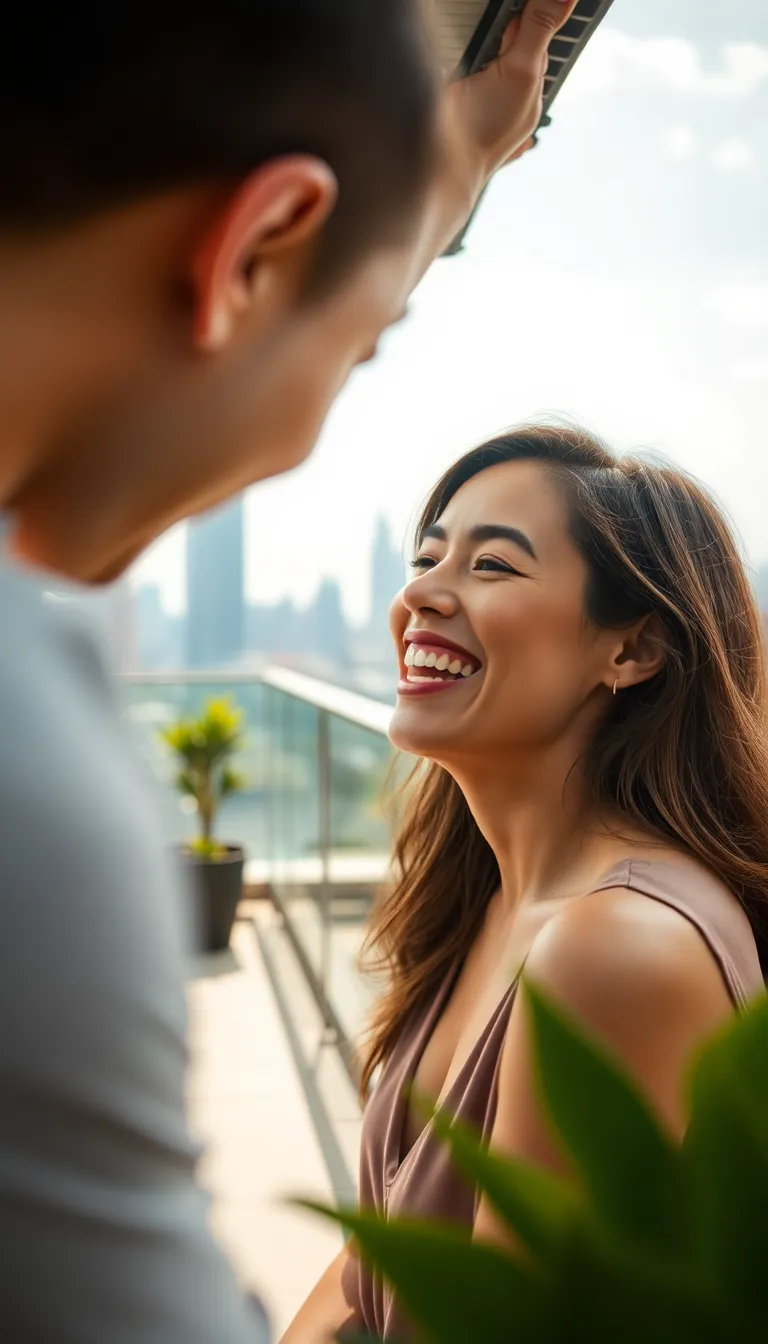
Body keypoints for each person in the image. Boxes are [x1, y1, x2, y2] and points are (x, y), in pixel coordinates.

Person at [0, 2, 580, 1340]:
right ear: (257, 243)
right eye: (358, 349)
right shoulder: (32, 781)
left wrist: (434, 180)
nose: (309, 428)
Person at [284, 424, 767, 1342]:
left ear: (632, 651)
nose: (421, 594)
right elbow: (375, 1262)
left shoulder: (618, 948)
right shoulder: (491, 900)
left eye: (492, 566)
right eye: (427, 558)